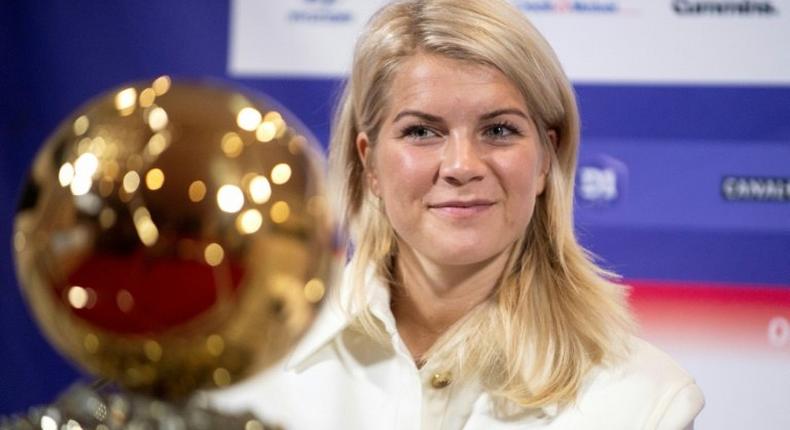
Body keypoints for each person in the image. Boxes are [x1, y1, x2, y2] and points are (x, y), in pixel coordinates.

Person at [212, 0, 705, 428]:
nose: (462, 166)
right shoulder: (248, 361)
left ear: (544, 161)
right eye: (422, 132)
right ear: (370, 163)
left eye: (499, 130)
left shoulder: (646, 402)